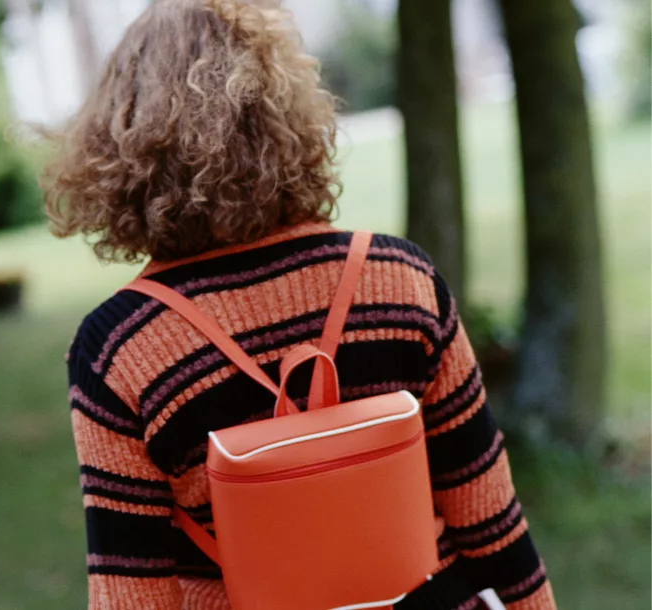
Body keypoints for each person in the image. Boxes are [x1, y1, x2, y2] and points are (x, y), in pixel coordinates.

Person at [42, 1, 558, 608]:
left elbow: (134, 594)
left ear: (119, 150)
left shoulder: (119, 349)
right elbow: (490, 519)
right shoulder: (401, 279)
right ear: (286, 117)